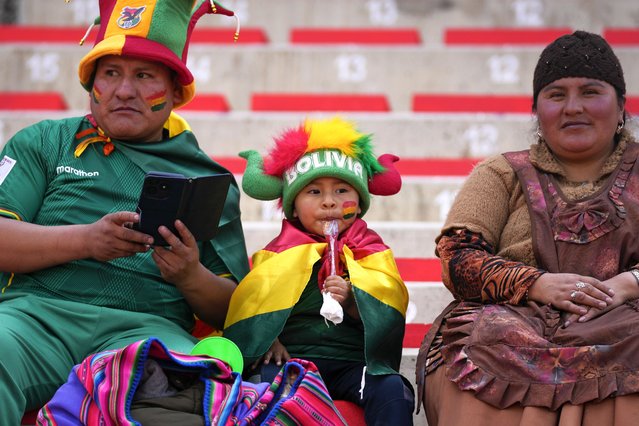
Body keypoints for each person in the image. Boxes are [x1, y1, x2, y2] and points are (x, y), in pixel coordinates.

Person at [0, 1, 249, 423]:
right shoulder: (43, 142)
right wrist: (87, 240)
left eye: (144, 75)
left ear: (174, 91)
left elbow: (234, 308)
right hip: (33, 321)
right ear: (91, 83)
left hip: (147, 333)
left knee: (192, 387)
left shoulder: (209, 180)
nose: (124, 90)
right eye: (111, 73)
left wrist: (189, 275)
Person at [416, 30, 639, 425]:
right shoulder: (500, 172)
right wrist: (536, 284)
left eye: (590, 92)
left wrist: (629, 284)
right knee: (482, 341)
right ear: (536, 111)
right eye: (556, 95)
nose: (573, 107)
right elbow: (458, 258)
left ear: (622, 105)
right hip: (517, 320)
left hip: (626, 320)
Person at [223, 116, 415, 425]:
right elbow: (253, 307)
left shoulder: (372, 252)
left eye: (342, 191)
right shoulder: (277, 252)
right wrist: (267, 338)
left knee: (392, 388)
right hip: (292, 360)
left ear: (359, 202)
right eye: (314, 192)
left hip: (353, 364)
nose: (330, 203)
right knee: (263, 386)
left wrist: (354, 300)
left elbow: (389, 313)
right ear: (294, 206)